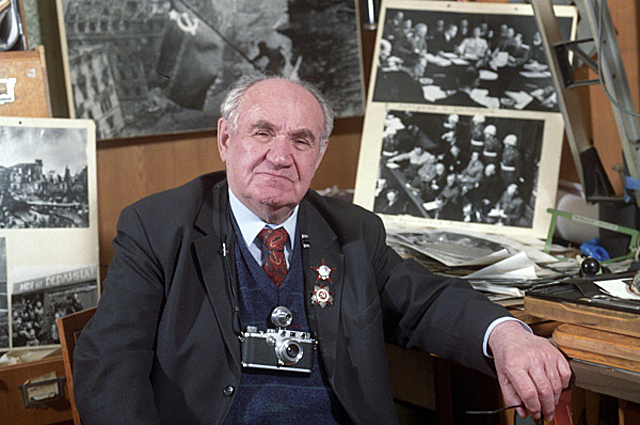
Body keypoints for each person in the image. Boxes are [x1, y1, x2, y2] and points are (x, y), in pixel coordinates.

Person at [73, 73, 571, 424]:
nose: (280, 156)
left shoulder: (352, 232)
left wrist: (507, 335)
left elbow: (424, 300)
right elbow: (110, 364)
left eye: (301, 140)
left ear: (320, 154)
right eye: (262, 133)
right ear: (225, 139)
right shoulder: (159, 228)